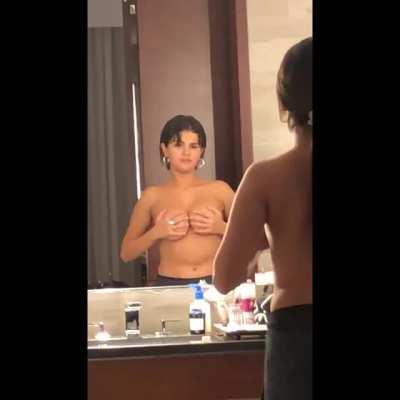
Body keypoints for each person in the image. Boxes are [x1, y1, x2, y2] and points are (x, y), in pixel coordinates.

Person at [213, 37, 312, 400]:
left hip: (296, 337)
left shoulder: (265, 177)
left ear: (284, 105)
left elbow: (224, 277)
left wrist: (264, 242)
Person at [121, 115, 235, 286]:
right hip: (169, 284)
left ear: (202, 151)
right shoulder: (151, 196)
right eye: (178, 145)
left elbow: (254, 239)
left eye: (193, 146)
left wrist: (220, 227)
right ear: (165, 149)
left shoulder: (220, 190)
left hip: (215, 284)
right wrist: (156, 232)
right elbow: (126, 253)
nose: (186, 152)